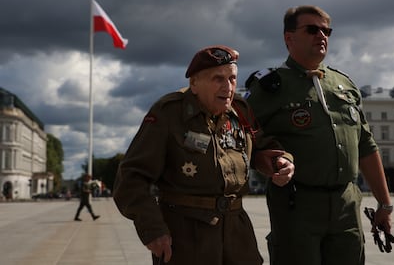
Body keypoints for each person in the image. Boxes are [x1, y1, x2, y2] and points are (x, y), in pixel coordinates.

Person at [113, 45, 294, 265]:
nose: (228, 87)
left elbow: (261, 145)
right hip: (187, 238)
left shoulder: (240, 110)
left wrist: (281, 161)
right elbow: (131, 178)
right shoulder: (169, 113)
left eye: (232, 78)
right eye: (218, 79)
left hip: (237, 236)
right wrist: (152, 229)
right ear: (194, 84)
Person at [245, 5, 393, 265]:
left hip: (346, 205)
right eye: (312, 29)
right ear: (288, 38)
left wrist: (384, 204)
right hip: (297, 206)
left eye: (327, 31)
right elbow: (245, 139)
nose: (321, 36)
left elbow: (366, 145)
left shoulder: (344, 84)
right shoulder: (269, 87)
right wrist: (265, 162)